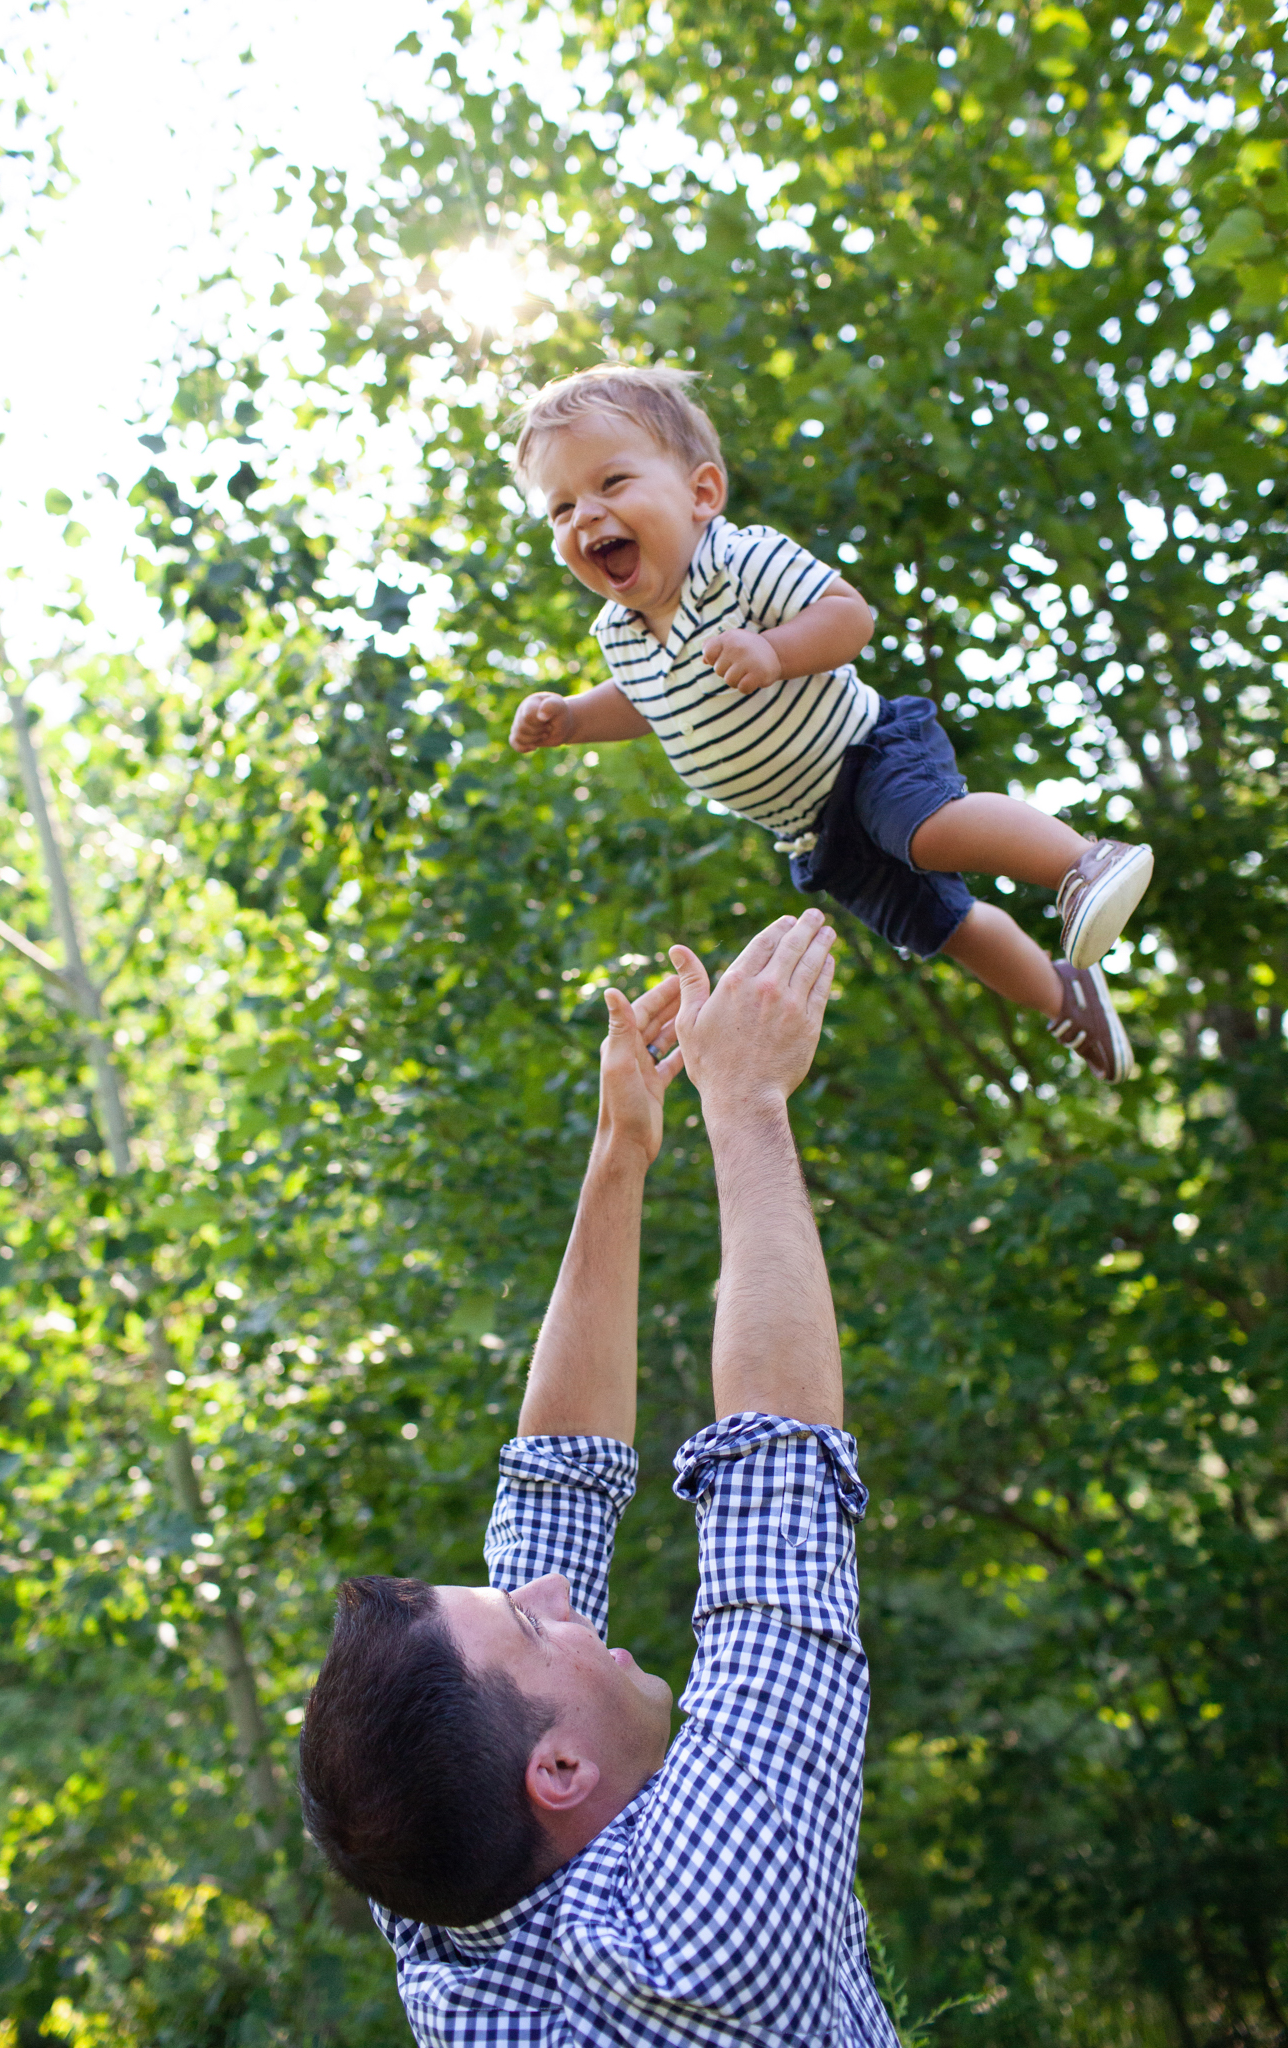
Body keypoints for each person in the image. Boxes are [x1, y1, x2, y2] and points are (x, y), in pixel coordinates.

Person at [299, 908, 900, 2045]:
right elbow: (780, 1474)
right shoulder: (702, 1945)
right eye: (531, 1627)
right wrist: (749, 1105)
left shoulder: (448, 1899)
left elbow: (555, 1489)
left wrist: (622, 1151)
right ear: (559, 1767)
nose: (553, 1591)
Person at [507, 363, 1154, 1085]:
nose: (586, 515)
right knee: (944, 928)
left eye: (611, 483)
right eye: (561, 509)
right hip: (817, 828)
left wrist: (773, 651)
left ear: (701, 493)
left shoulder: (736, 560)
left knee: (927, 828)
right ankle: (1067, 997)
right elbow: (640, 700)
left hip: (866, 752)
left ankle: (1081, 862)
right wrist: (569, 718)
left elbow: (850, 615)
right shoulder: (620, 634)